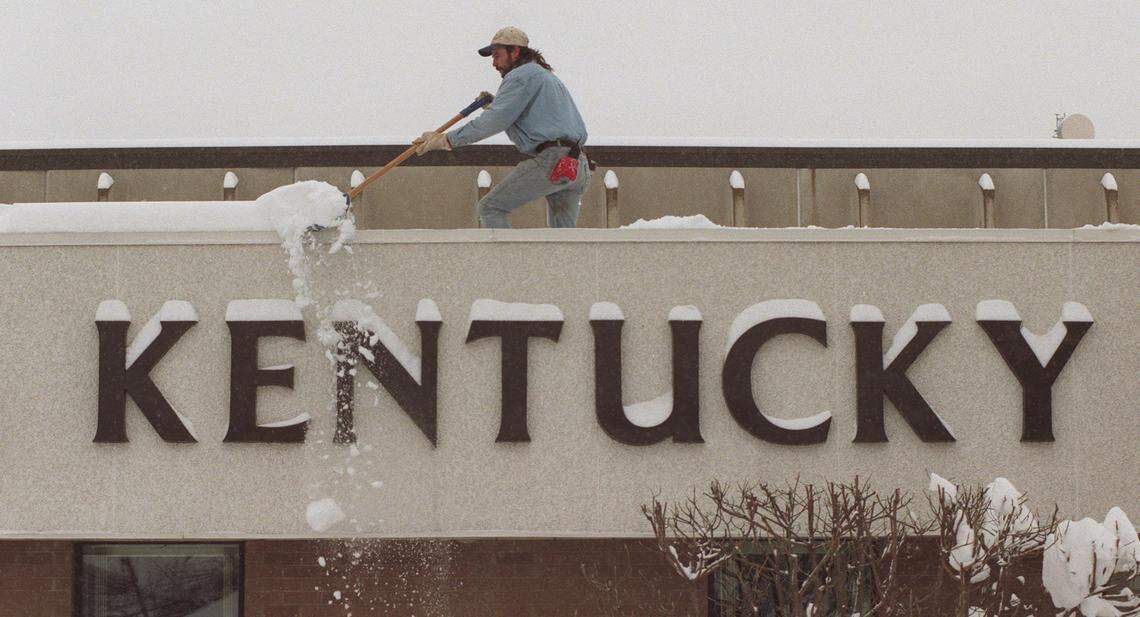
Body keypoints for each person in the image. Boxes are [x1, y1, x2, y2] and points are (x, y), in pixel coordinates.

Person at [413, 27, 592, 228]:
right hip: (577, 163)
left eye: (497, 55)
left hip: (554, 160)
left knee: (491, 208)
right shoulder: (545, 76)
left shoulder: (521, 75)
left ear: (515, 51)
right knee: (563, 237)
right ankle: (566, 260)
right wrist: (496, 104)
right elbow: (522, 117)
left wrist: (446, 139)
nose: (494, 63)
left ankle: (507, 260)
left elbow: (495, 121)